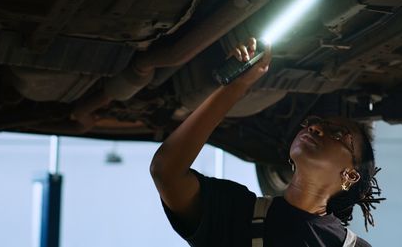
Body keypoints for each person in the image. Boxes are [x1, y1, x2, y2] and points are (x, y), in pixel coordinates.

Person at [150, 38, 384, 247]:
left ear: (351, 176)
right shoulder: (235, 213)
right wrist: (236, 86)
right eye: (316, 123)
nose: (316, 128)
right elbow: (166, 171)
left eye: (338, 133)